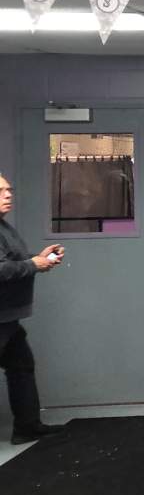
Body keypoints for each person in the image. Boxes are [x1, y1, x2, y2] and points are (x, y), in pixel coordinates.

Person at [0, 172, 68, 445]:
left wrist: (37, 259)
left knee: (21, 366)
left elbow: (11, 261)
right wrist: (33, 265)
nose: (8, 194)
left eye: (9, 189)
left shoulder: (4, 227)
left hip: (7, 318)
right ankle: (27, 426)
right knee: (20, 366)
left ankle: (27, 427)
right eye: (1, 190)